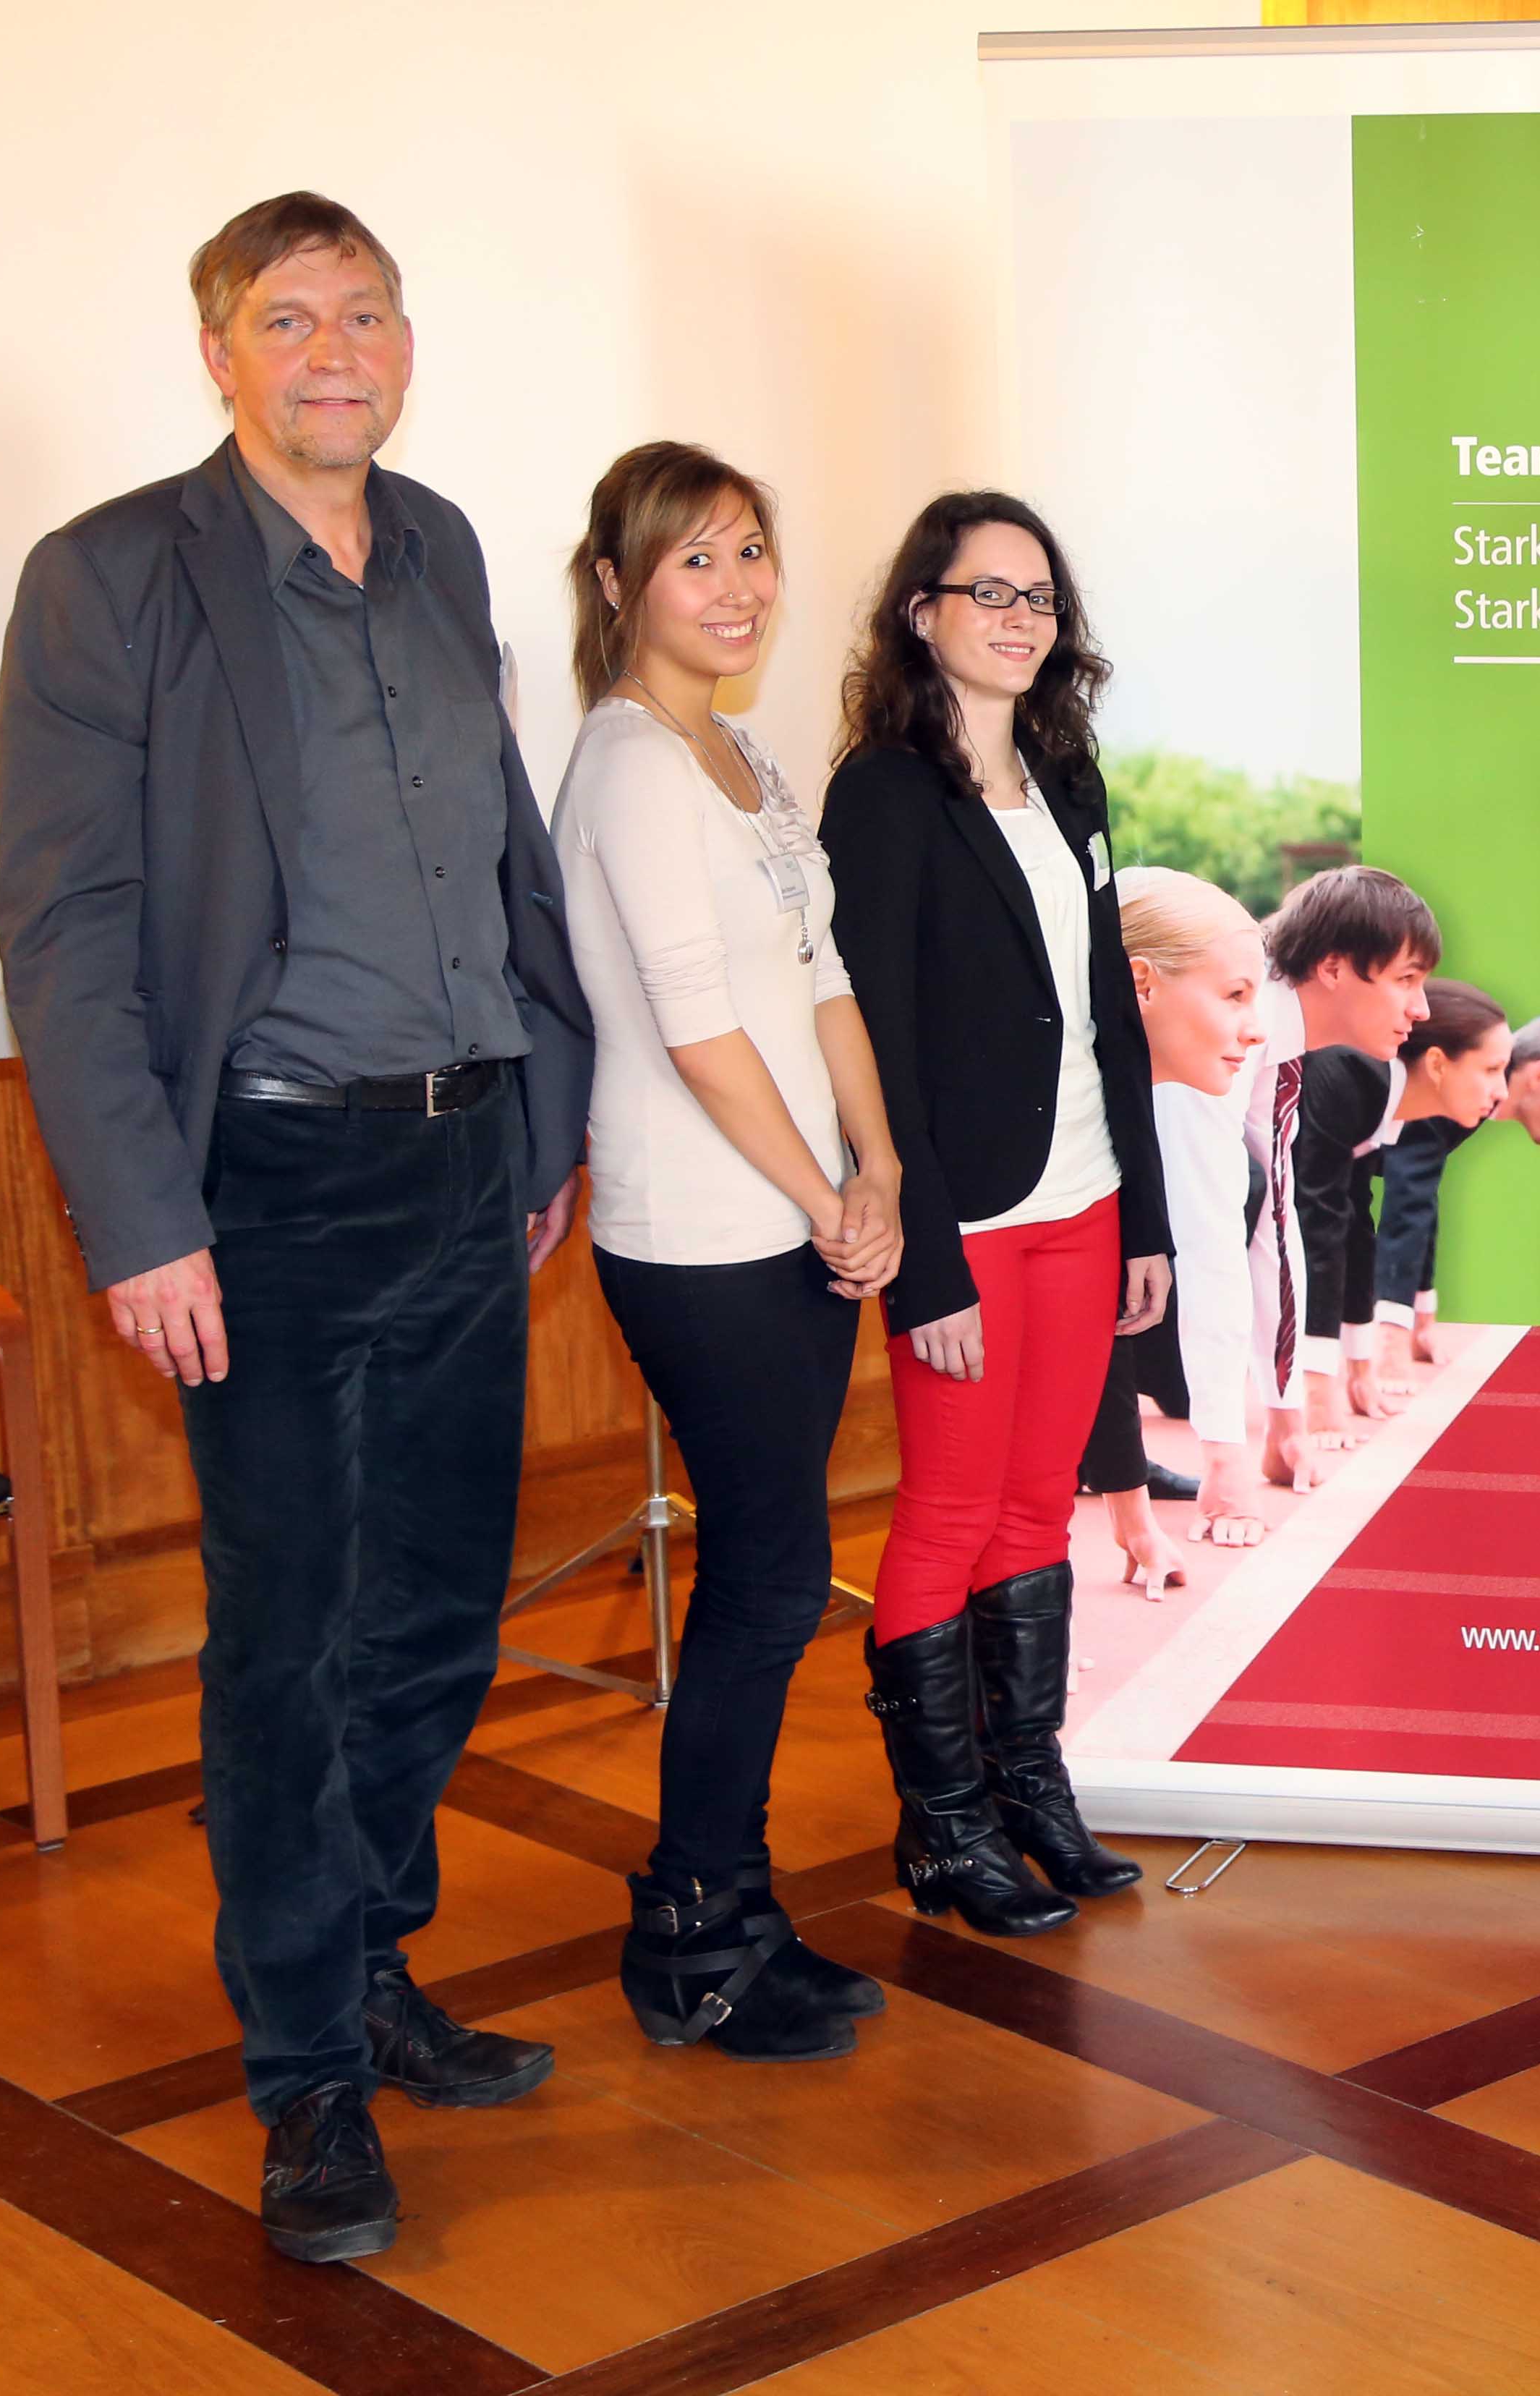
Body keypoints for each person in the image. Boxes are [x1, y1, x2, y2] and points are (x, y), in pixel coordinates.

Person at [0, 192, 594, 2264]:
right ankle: (306, 2073)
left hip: (466, 1163)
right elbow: (68, 929)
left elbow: (496, 851)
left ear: (405, 345)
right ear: (219, 354)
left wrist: (543, 1110)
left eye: (366, 314)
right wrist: (141, 1218)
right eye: (286, 318)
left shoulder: (438, 546)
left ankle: (370, 1958)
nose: (333, 350)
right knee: (287, 1637)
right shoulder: (109, 578)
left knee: (435, 1616)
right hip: (262, 1187)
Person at [550, 443, 901, 2060]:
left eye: (751, 548)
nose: (738, 584)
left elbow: (821, 979)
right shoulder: (630, 762)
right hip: (700, 1232)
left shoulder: (742, 752)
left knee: (769, 1574)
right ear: (618, 584)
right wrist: (825, 1195)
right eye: (695, 556)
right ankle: (691, 1933)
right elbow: (696, 1030)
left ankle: (732, 1914)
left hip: (798, 1216)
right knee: (763, 1581)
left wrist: (875, 1166)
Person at [820, 490, 1173, 1936]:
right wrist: (924, 1264)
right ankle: (943, 1826)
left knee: (1039, 1504)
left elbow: (1108, 1014)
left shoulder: (1067, 775)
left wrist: (1146, 1219)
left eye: (1039, 598)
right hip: (963, 1221)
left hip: (1085, 1198)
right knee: (950, 1511)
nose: (1019, 620)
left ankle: (1030, 1786)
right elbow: (874, 1041)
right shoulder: (882, 793)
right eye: (989, 593)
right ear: (924, 613)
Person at [1081, 865, 1277, 1588]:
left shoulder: (1144, 1100)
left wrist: (1133, 1515)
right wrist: (1225, 1455)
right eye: (1235, 996)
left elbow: (1104, 1331)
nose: (1256, 1028)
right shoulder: (1071, 1123)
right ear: (1142, 983)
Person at [1239, 865, 1440, 1485]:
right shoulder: (1244, 1026)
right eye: (1406, 980)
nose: (1422, 1008)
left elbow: (1281, 1230)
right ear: (1332, 968)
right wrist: (1225, 1462)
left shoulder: (1282, 1046)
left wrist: (1286, 1422)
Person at [1303, 980, 1511, 1419]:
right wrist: (1319, 1392)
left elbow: (1356, 1228)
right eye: (1492, 1070)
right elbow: (1318, 1228)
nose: (1503, 1093)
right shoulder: (1347, 1078)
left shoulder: (1377, 1099)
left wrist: (1360, 1368)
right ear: (1436, 1064)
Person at [1372, 1012, 1540, 1399]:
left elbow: (1420, 1194)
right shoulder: (1460, 1085)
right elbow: (1407, 1204)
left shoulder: (1470, 1098)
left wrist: (1422, 1320)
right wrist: (1392, 1342)